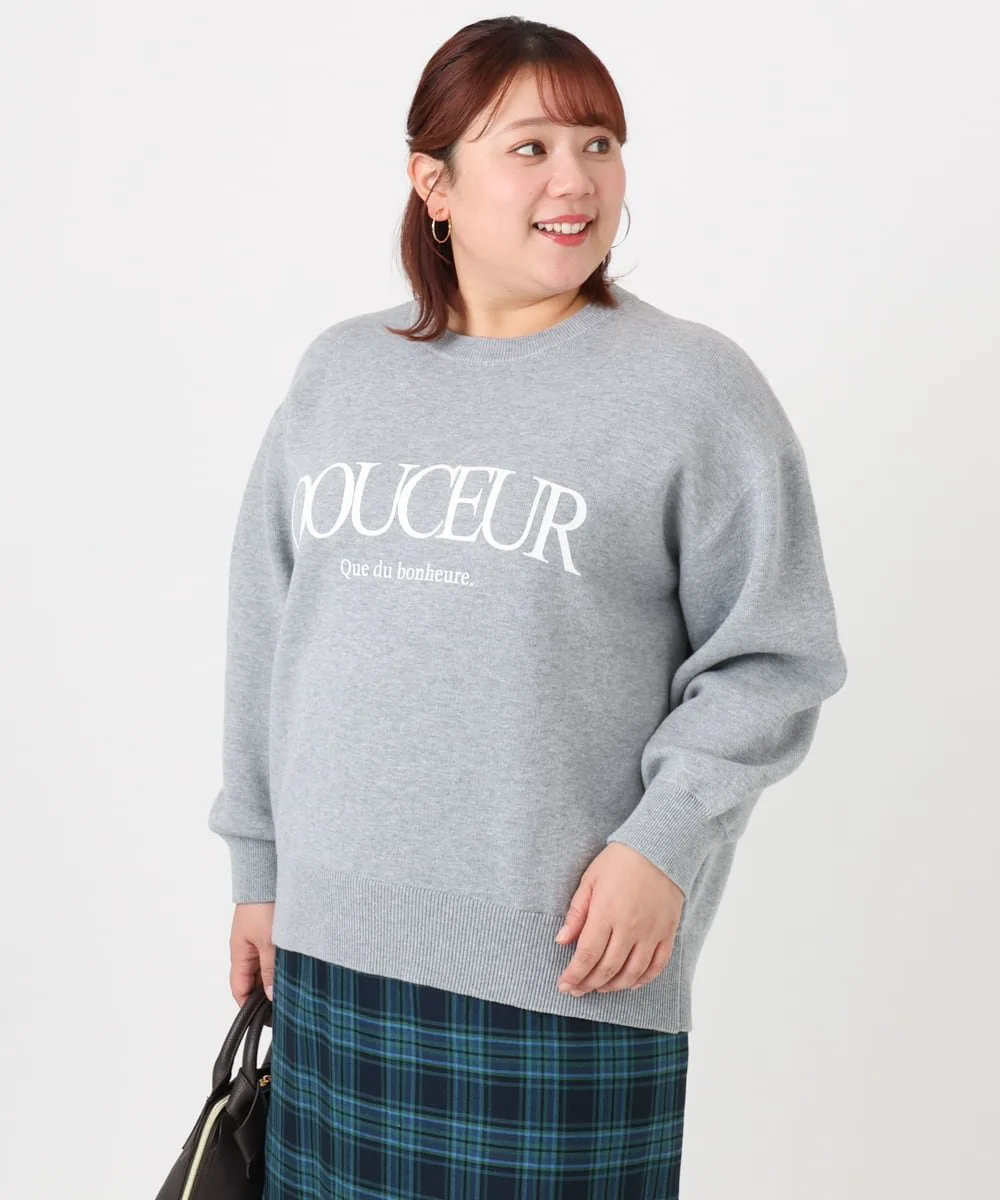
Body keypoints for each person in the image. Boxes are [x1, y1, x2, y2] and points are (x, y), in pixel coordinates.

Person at [207, 16, 848, 1199]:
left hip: (561, 964)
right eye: (531, 147)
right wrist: (259, 865)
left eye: (599, 143)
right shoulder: (341, 372)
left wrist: (662, 844)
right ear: (434, 184)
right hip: (328, 946)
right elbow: (270, 629)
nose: (575, 181)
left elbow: (774, 656)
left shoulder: (691, 387)